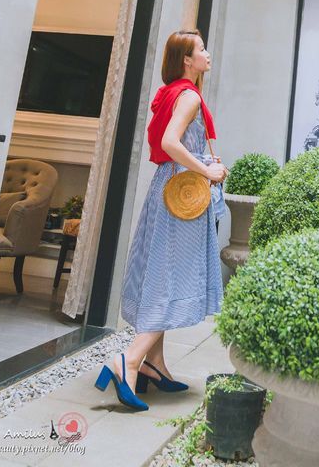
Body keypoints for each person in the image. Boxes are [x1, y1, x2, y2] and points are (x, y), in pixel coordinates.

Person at [94, 30, 227, 410]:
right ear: (187, 60)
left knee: (162, 274)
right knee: (174, 277)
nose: (207, 54)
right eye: (201, 49)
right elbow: (170, 142)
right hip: (182, 195)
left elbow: (170, 145)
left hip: (166, 187)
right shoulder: (189, 96)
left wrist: (202, 163)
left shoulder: (171, 92)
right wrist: (207, 169)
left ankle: (155, 364)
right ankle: (129, 360)